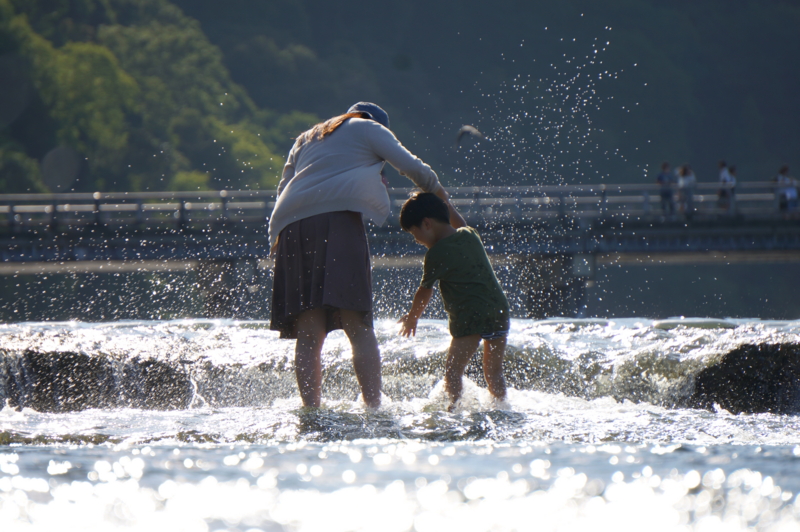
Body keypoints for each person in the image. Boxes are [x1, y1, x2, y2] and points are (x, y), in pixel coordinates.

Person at [269, 102, 450, 408]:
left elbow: (284, 188)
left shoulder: (307, 137)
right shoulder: (369, 127)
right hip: (336, 221)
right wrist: (440, 195)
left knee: (309, 331)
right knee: (358, 324)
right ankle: (373, 406)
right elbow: (410, 166)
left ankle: (311, 410)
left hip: (289, 228)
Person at [397, 192, 509, 410]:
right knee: (493, 371)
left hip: (471, 317)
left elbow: (424, 291)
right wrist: (446, 202)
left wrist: (413, 317)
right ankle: (502, 408)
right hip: (499, 311)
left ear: (426, 223)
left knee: (453, 372)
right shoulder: (470, 235)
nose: (416, 240)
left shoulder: (436, 254)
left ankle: (453, 410)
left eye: (414, 233)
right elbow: (461, 223)